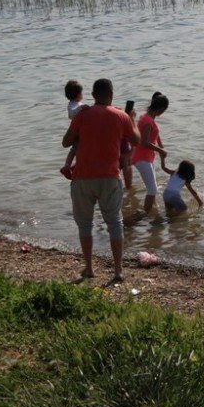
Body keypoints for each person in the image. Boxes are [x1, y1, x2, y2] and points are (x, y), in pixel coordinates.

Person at [61, 78, 139, 283]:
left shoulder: (82, 114)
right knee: (115, 223)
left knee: (85, 224)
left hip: (83, 178)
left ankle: (89, 268)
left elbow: (66, 142)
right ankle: (118, 271)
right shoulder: (121, 116)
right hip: (110, 177)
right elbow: (137, 141)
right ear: (111, 95)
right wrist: (131, 120)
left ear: (93, 95)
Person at [131, 92, 169, 215]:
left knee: (153, 187)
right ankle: (143, 215)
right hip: (142, 158)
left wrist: (159, 143)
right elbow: (144, 142)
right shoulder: (148, 121)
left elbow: (153, 133)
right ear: (161, 109)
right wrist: (160, 150)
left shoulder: (146, 117)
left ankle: (152, 210)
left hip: (145, 157)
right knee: (152, 190)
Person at [60, 79, 87, 179]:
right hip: (77, 132)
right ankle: (67, 166)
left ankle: (71, 165)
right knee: (75, 149)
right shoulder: (73, 105)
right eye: (81, 92)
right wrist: (82, 108)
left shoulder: (76, 104)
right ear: (78, 94)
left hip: (79, 130)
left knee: (76, 149)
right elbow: (71, 114)